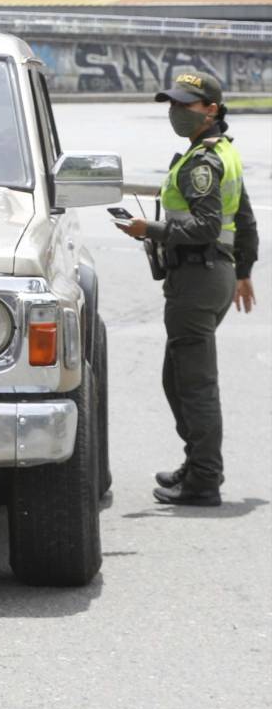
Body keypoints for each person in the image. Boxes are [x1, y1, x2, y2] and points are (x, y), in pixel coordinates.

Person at [117, 71, 259, 507]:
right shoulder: (218, 152)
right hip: (211, 276)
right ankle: (196, 463)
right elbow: (246, 219)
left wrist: (148, 229)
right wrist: (243, 272)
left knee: (194, 385)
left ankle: (203, 479)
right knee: (177, 379)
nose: (175, 112)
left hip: (197, 279)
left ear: (210, 110)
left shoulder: (204, 161)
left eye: (184, 105)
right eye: (172, 104)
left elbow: (206, 226)